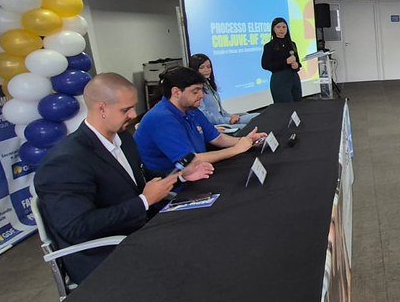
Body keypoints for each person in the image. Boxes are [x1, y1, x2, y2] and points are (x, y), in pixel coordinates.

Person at [33, 73, 214, 285]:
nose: (134, 114)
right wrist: (144, 201)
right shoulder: (65, 162)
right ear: (101, 108)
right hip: (104, 256)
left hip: (139, 232)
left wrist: (180, 177)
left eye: (133, 107)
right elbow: (77, 228)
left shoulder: (124, 139)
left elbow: (143, 179)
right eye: (125, 110)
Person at [135, 67, 268, 175]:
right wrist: (235, 150)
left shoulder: (191, 109)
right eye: (195, 91)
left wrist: (246, 141)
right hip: (176, 182)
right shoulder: (161, 118)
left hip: (199, 170)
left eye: (201, 90)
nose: (201, 95)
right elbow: (190, 161)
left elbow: (217, 138)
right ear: (176, 92)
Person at [189, 54, 257, 128]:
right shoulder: (196, 91)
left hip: (224, 119)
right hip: (216, 125)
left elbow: (220, 110)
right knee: (248, 127)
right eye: (202, 68)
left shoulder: (208, 85)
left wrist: (230, 116)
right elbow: (205, 116)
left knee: (255, 116)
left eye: (208, 67)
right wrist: (228, 120)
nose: (207, 70)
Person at [261, 17, 302, 103]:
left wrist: (297, 65)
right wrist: (285, 62)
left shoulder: (292, 44)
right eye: (278, 27)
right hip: (279, 79)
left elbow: (297, 61)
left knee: (298, 105)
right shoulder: (269, 46)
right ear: (273, 29)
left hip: (294, 78)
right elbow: (265, 65)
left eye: (284, 27)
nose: (281, 29)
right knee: (285, 108)